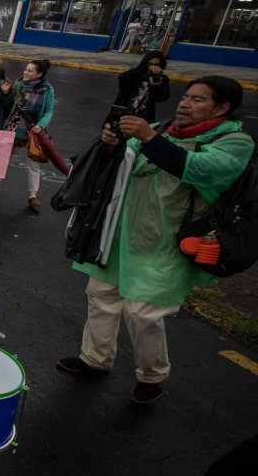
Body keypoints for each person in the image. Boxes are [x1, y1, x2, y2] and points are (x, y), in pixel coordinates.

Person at [57, 77, 252, 405]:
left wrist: (147, 137)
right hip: (120, 236)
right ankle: (95, 358)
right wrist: (110, 144)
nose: (185, 104)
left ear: (222, 108)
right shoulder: (161, 129)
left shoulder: (234, 142)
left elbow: (201, 170)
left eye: (198, 100)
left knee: (143, 311)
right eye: (186, 96)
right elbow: (122, 162)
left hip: (168, 243)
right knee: (101, 295)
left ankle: (153, 375)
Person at [4, 59, 55, 210]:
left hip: (33, 127)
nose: (25, 72)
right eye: (26, 69)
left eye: (30, 71)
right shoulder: (19, 83)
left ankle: (33, 195)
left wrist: (41, 125)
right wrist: (7, 92)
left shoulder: (47, 89)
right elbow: (9, 102)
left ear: (39, 74)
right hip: (14, 123)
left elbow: (49, 110)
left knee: (33, 162)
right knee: (4, 157)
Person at [114, 50, 170, 123]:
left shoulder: (162, 79)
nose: (153, 67)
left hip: (142, 120)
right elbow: (122, 78)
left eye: (156, 64)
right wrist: (145, 68)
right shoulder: (136, 74)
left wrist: (158, 85)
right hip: (122, 115)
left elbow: (162, 98)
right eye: (150, 64)